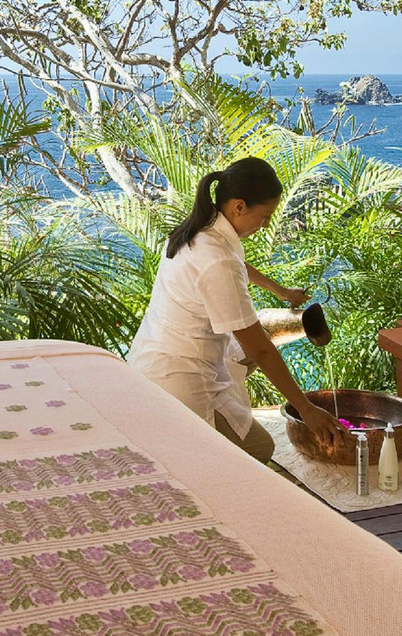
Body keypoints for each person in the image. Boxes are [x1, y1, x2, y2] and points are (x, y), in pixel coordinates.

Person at [127, 157, 345, 461]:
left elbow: (237, 264)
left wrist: (281, 291)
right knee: (260, 449)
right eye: (265, 216)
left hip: (148, 357)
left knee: (243, 356)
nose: (265, 225)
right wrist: (307, 410)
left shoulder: (200, 230)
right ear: (239, 207)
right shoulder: (216, 259)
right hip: (177, 378)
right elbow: (262, 352)